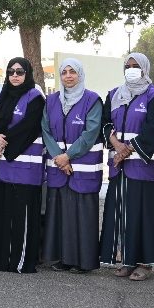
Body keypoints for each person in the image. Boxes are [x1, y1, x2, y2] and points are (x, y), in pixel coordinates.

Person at [100, 53, 154, 281]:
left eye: (136, 66)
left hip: (143, 166)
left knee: (144, 215)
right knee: (122, 214)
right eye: (127, 66)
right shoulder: (114, 94)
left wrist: (127, 149)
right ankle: (127, 260)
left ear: (145, 69)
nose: (131, 69)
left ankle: (145, 263)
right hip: (119, 167)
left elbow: (152, 128)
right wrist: (116, 145)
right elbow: (105, 123)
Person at [40, 59, 104, 273]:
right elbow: (46, 131)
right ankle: (63, 258)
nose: (68, 76)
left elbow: (91, 133)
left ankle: (84, 262)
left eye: (73, 72)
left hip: (83, 169)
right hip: (59, 168)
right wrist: (59, 158)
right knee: (60, 215)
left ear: (80, 74)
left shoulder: (92, 100)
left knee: (83, 215)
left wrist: (68, 156)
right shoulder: (51, 101)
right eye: (64, 72)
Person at [0, 58, 47, 273]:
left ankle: (21, 262)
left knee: (23, 218)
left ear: (27, 74)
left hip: (25, 169)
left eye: (20, 72)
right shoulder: (3, 95)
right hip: (4, 167)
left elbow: (28, 128)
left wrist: (2, 145)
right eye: (11, 71)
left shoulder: (35, 97)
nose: (15, 75)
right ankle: (3, 261)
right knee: (4, 215)